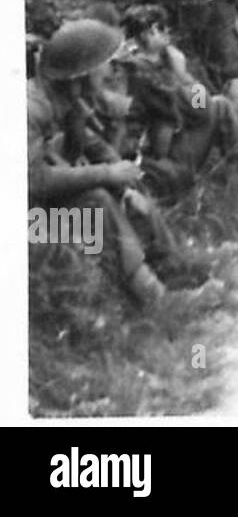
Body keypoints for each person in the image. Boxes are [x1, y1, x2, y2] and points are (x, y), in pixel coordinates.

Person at [28, 19, 223, 311]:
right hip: (31, 227)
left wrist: (122, 181)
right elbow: (34, 181)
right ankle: (157, 300)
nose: (109, 70)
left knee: (119, 187)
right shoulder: (30, 108)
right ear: (80, 73)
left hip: (46, 210)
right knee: (97, 200)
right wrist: (108, 174)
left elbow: (94, 152)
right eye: (103, 64)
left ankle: (172, 266)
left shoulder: (69, 100)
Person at [116, 4, 238, 200]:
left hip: (147, 167)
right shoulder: (147, 73)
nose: (168, 35)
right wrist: (183, 76)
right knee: (221, 106)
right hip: (158, 175)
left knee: (221, 104)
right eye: (164, 29)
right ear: (151, 31)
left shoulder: (133, 69)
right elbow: (202, 108)